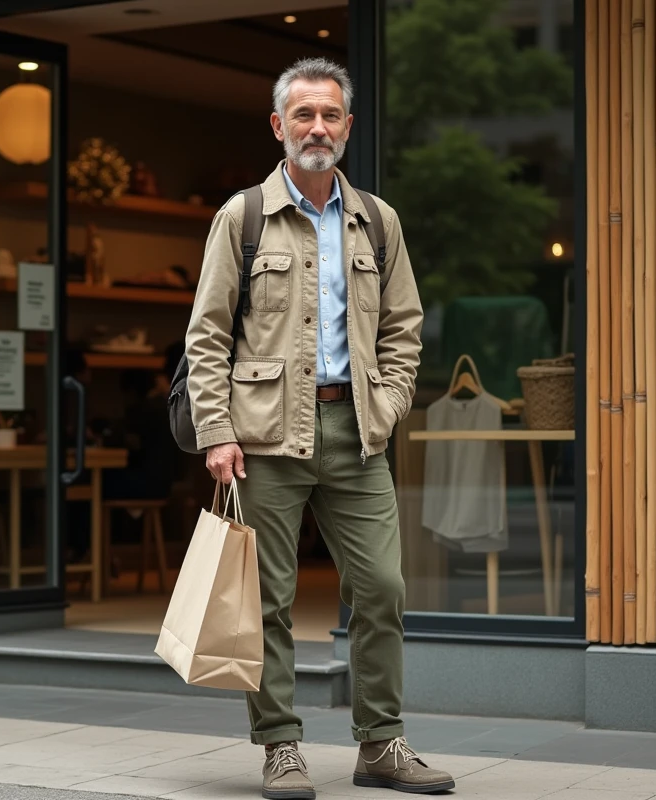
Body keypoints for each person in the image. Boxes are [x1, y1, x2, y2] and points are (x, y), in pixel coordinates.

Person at [184, 57, 454, 798]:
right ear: (278, 126)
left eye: (330, 115)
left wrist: (391, 404)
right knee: (265, 601)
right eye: (303, 114)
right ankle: (279, 746)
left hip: (356, 433)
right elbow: (206, 335)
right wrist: (216, 429)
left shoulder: (378, 219)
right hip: (263, 439)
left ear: (348, 127)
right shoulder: (241, 218)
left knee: (383, 589)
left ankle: (381, 745)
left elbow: (405, 327)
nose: (317, 127)